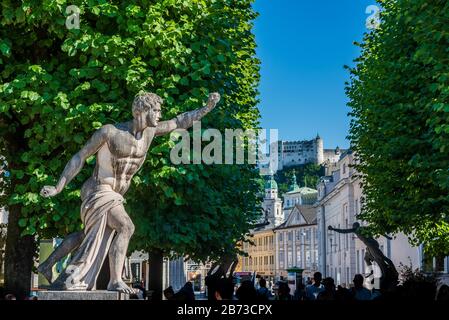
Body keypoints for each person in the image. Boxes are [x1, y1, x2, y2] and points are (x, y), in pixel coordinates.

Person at [37, 92, 221, 293]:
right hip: (98, 191)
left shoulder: (151, 132)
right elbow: (79, 157)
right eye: (156, 110)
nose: (160, 114)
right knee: (126, 226)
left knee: (89, 236)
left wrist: (206, 108)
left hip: (115, 194)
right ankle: (115, 280)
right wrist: (58, 187)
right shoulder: (110, 132)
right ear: (142, 111)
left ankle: (48, 264)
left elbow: (179, 122)